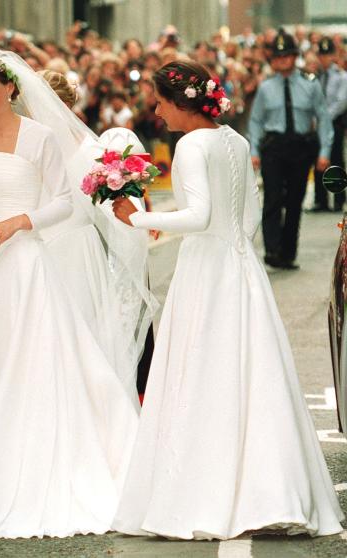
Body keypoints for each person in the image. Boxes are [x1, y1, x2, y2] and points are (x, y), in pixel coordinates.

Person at [110, 59, 344, 540]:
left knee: (201, 373)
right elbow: (252, 214)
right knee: (251, 375)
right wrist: (236, 249)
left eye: (159, 101)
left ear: (181, 103)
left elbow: (197, 216)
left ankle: (204, 492)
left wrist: (136, 218)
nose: (156, 110)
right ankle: (268, 489)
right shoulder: (236, 141)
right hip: (241, 269)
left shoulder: (191, 145)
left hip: (206, 270)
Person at [0, 46, 140, 539]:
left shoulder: (40, 136)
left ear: (11, 88)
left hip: (25, 262)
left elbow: (65, 201)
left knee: (31, 360)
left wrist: (20, 222)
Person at [38, 68, 157, 401]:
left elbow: (109, 209)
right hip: (43, 246)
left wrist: (134, 218)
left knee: (81, 331)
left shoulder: (93, 149)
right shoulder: (38, 144)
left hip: (77, 250)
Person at [249, 29, 333, 270]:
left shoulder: (311, 84)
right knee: (273, 197)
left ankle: (288, 253)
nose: (282, 60)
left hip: (300, 147)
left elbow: (323, 118)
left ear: (295, 57)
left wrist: (324, 152)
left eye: (287, 55)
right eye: (278, 56)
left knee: (295, 200)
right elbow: (255, 121)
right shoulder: (266, 88)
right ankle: (272, 249)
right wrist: (254, 149)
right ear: (272, 60)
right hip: (274, 148)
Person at [312, 36, 347, 213]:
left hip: (334, 123)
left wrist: (324, 118)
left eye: (327, 55)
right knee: (318, 160)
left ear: (333, 55)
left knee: (336, 161)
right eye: (321, 55)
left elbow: (341, 102)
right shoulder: (315, 77)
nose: (324, 58)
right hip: (318, 125)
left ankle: (339, 200)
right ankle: (321, 200)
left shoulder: (341, 76)